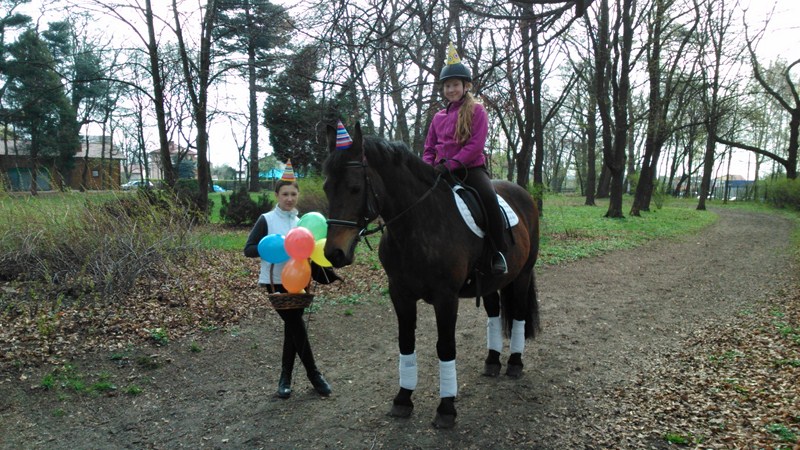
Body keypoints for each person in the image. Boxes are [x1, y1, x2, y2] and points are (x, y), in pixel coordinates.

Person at [243, 160, 332, 399]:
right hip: (274, 281)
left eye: (293, 194)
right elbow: (248, 249)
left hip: (299, 281)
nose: (289, 199)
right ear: (277, 195)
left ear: (297, 195)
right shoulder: (266, 219)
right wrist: (277, 247)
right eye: (285, 194)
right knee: (296, 325)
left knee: (292, 328)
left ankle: (285, 379)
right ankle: (314, 375)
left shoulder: (301, 222)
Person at [423, 42, 508, 275]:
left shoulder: (477, 110)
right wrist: (428, 168)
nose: (451, 89)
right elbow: (429, 147)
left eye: (455, 85)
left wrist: (450, 165)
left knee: (489, 198)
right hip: (440, 172)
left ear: (465, 86)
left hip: (470, 170)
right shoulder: (438, 117)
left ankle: (497, 251)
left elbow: (474, 146)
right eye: (447, 85)